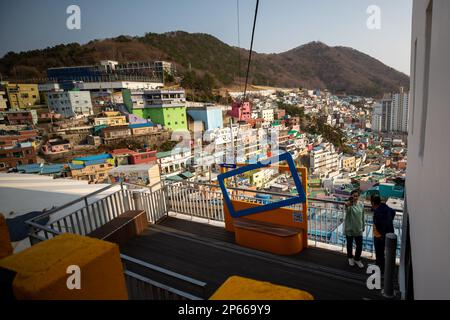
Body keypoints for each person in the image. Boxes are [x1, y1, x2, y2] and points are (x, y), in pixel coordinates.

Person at [371, 195, 396, 272]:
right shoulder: (385, 207)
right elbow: (393, 211)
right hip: (386, 234)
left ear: (372, 202)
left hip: (379, 236)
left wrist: (381, 235)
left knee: (379, 253)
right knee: (382, 253)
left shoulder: (378, 212)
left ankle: (380, 269)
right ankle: (381, 266)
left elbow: (379, 224)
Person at [344, 190, 365, 268]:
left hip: (358, 228)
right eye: (353, 196)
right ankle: (350, 258)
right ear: (351, 196)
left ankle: (357, 259)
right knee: (349, 245)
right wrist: (348, 204)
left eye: (356, 196)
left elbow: (362, 216)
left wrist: (363, 226)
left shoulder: (361, 205)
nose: (355, 197)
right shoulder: (349, 204)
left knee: (359, 245)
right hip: (349, 228)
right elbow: (346, 207)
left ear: (358, 197)